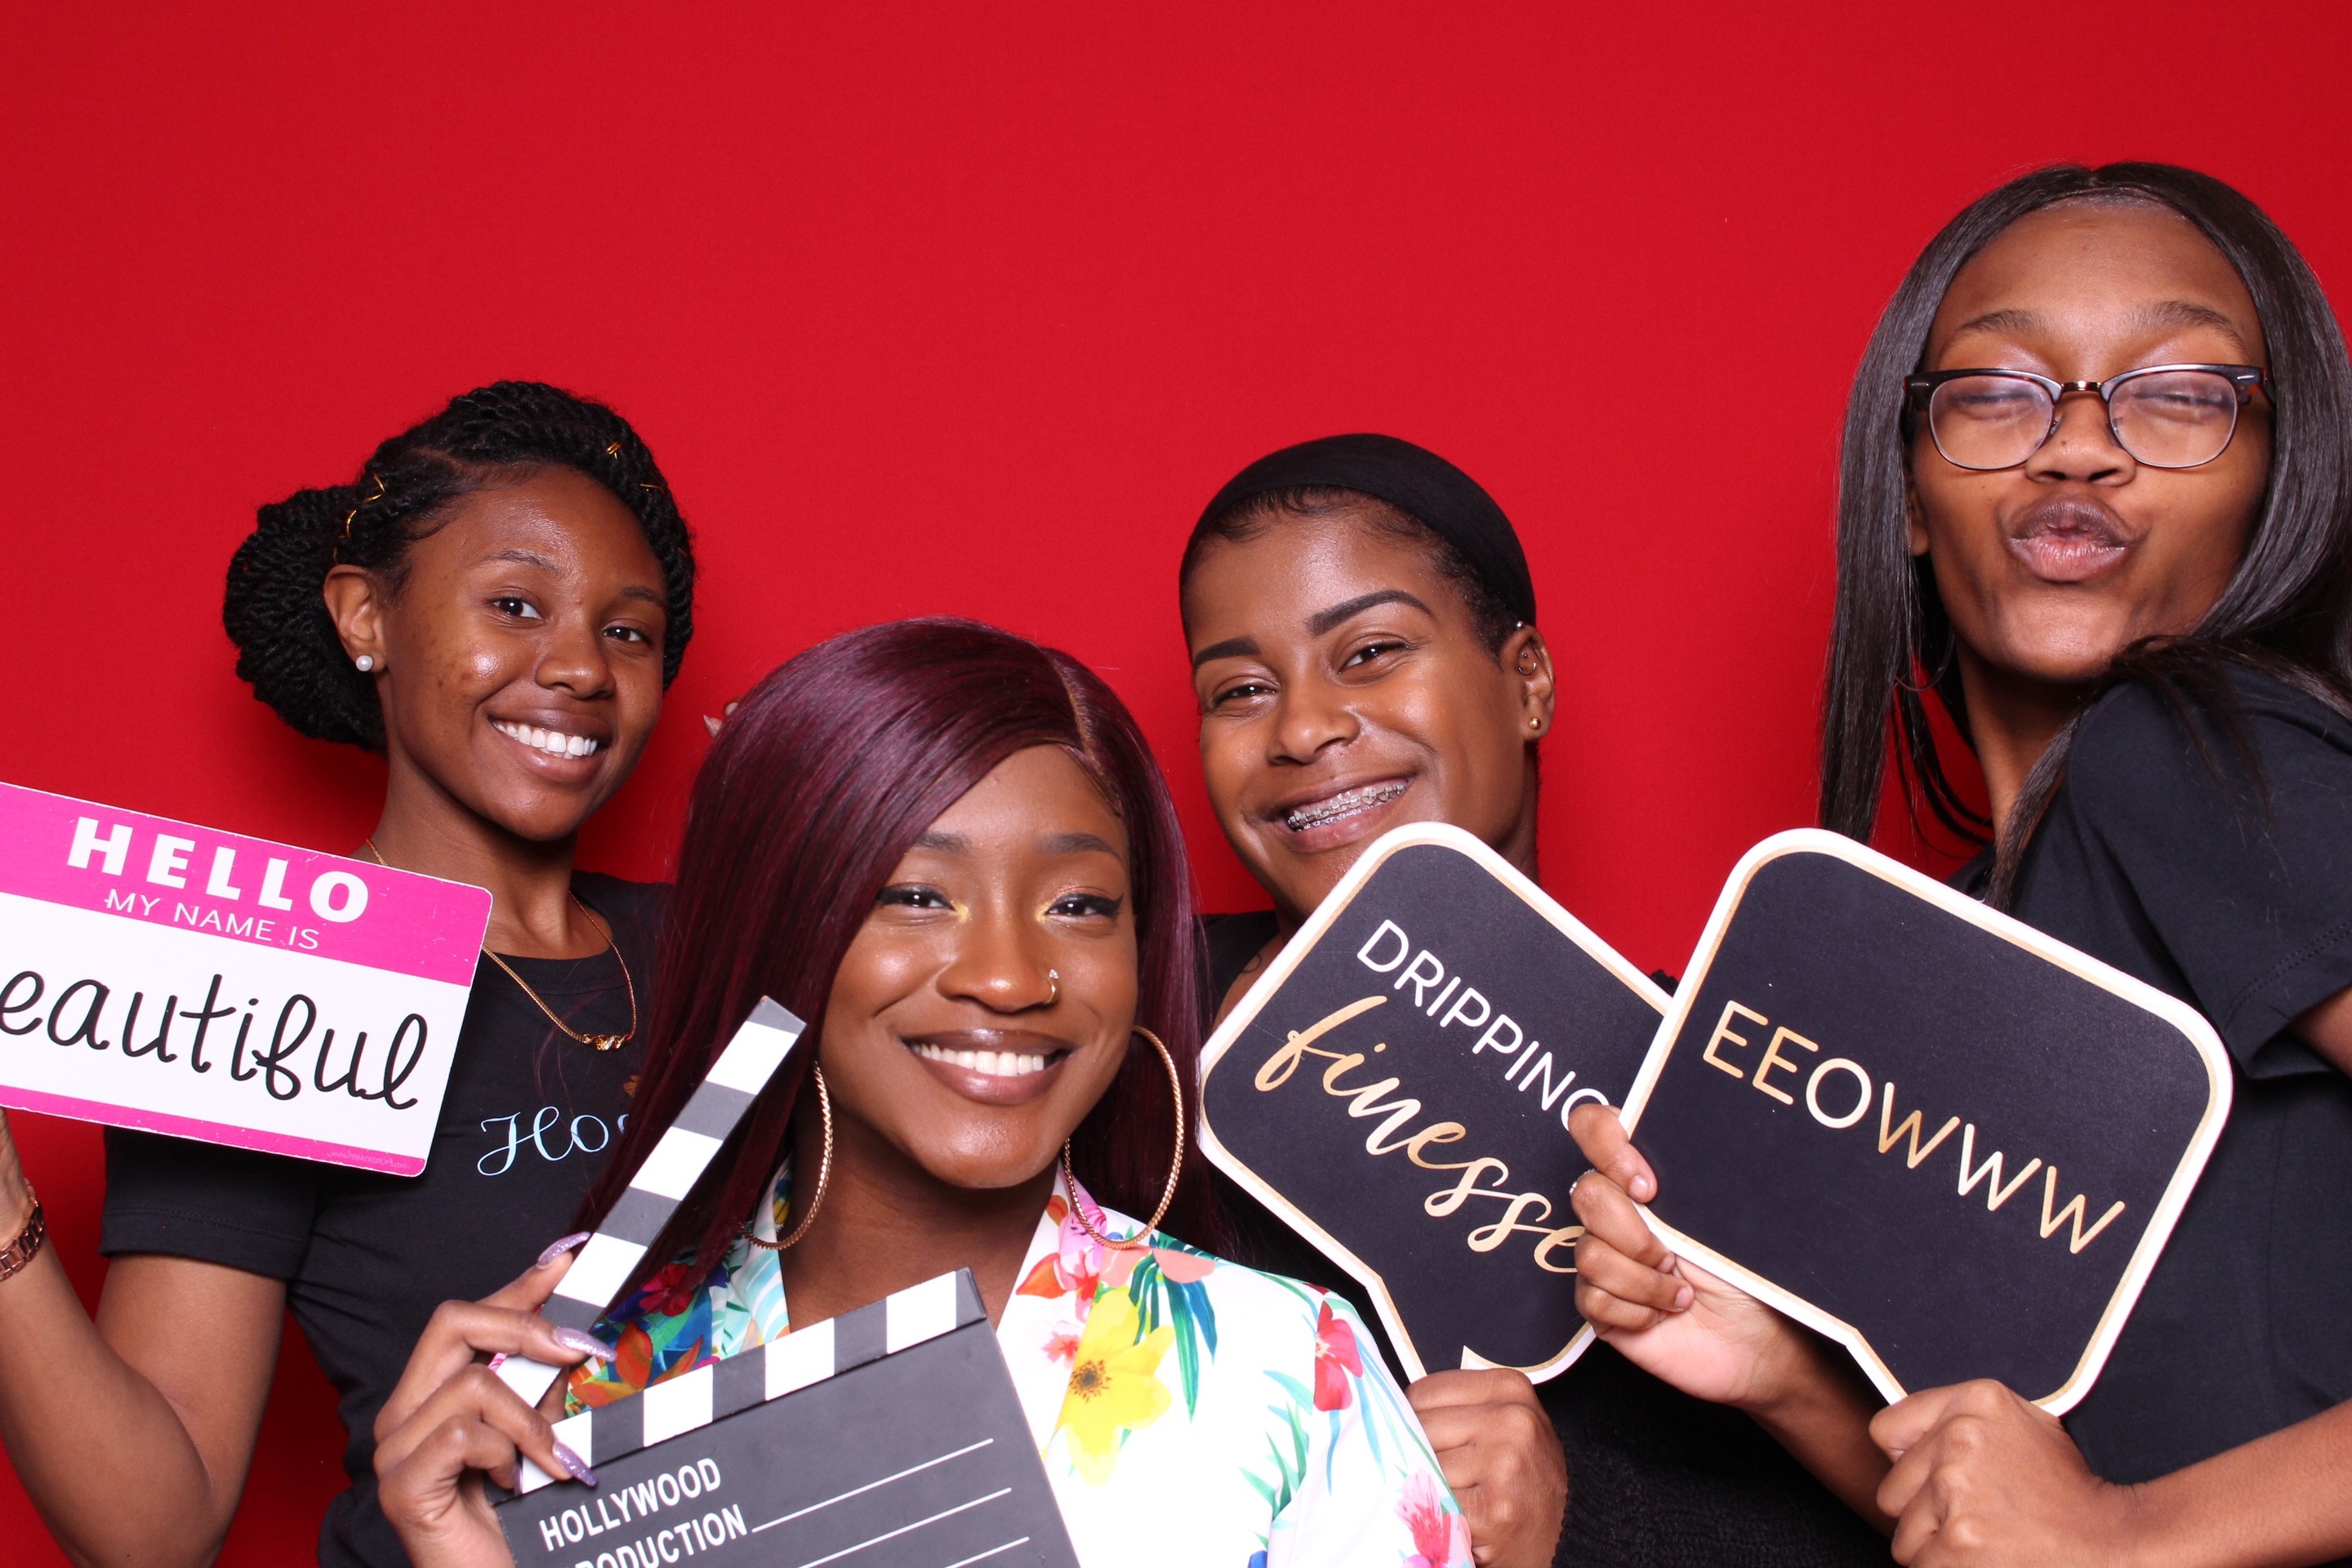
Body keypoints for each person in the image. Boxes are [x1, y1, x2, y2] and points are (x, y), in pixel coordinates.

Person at [1570, 161, 2352, 1566]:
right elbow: (2003, 1524)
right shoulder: (1958, 947)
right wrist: (1772, 1369)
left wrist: (2133, 1532)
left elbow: (2094, 1534)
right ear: (1911, 499)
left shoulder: (2184, 762)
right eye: (1998, 393)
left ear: (2278, 483)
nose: (2078, 448)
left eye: (2180, 394)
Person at [371, 618, 1475, 1567]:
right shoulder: (582, 1381)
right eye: (915, 895)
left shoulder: (1292, 1372)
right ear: (781, 929)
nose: (1009, 976)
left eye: (1080, 906)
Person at [0, 381, 697, 1568]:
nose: (582, 666)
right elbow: (152, 1531)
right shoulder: (275, 987)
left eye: (628, 632)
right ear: (367, 618)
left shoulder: (729, 941)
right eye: (516, 604)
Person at [1179, 434, 1886, 1566]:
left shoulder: (1717, 1088)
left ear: (1528, 683)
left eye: (1370, 652)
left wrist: (1575, 1529)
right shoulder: (1127, 1047)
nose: (1302, 729)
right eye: (1240, 690)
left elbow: (1913, 1532)